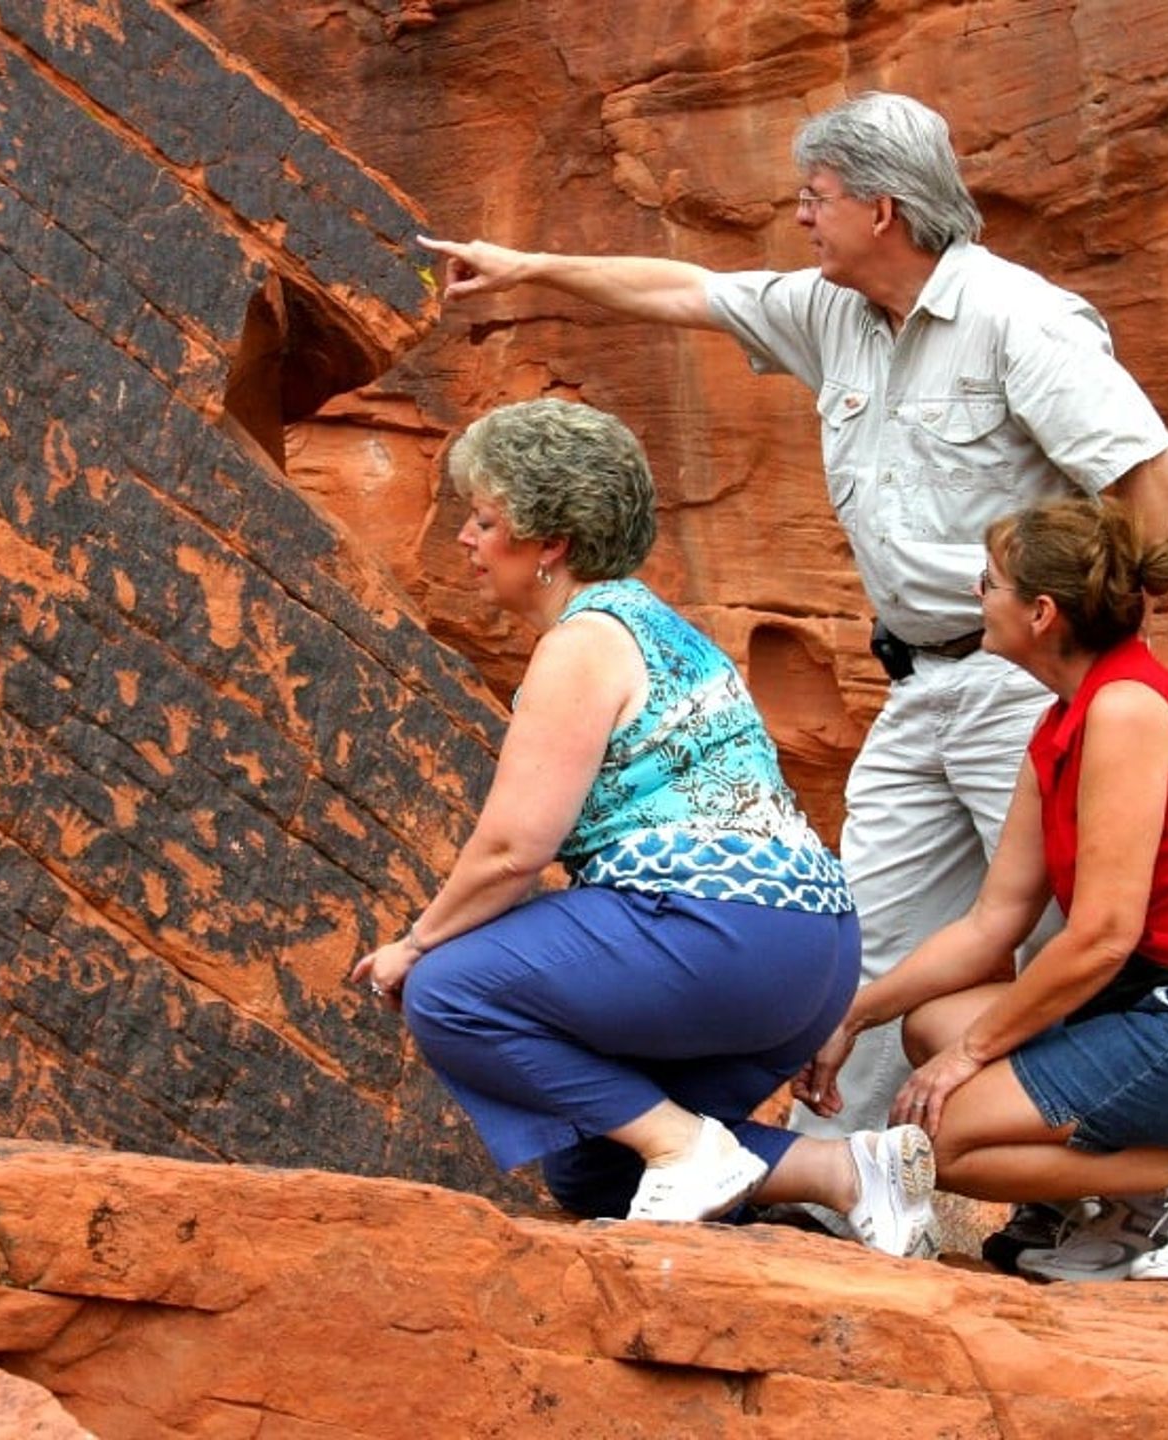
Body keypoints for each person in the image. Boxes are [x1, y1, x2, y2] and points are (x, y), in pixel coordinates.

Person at [418, 90, 1168, 1260]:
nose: (800, 218)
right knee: (866, 935)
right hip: (917, 681)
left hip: (1029, 672)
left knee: (1087, 928)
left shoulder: (1017, 319)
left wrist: (1111, 630)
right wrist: (528, 268)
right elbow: (684, 291)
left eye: (815, 199)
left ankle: (1127, 1185)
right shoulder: (836, 313)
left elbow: (1143, 462)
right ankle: (865, 1188)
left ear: (881, 207)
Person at [351, 397, 937, 1258]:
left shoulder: (584, 641)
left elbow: (517, 848)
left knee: (450, 991)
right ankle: (850, 1172)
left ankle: (683, 1146)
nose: (468, 542)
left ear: (549, 542)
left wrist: (418, 942)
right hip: (811, 957)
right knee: (593, 1168)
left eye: (485, 521)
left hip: (723, 936)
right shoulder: (662, 627)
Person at [797, 496, 1168, 1283]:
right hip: (1151, 1003)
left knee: (937, 1140)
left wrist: (968, 1059)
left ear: (1042, 612)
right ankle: (1138, 1203)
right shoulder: (1063, 719)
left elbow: (1101, 936)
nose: (975, 597)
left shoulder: (1124, 710)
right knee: (930, 1025)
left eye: (989, 583)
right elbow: (993, 924)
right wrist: (853, 1015)